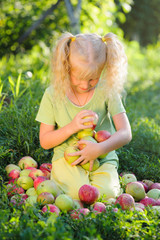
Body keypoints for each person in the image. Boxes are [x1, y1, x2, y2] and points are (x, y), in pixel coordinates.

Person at [36, 32, 132, 200]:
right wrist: (72, 127)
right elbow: (45, 141)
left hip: (102, 156)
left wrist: (100, 149)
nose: (85, 84)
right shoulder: (53, 94)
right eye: (78, 77)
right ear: (66, 66)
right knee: (74, 194)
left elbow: (125, 133)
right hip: (67, 158)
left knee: (106, 195)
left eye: (93, 79)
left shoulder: (107, 90)